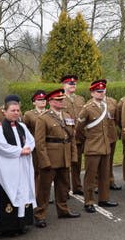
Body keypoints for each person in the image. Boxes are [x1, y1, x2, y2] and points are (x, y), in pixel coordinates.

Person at [34, 89, 80, 227]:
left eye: (62, 99)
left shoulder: (67, 116)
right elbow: (39, 143)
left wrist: (73, 156)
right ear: (51, 102)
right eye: (58, 100)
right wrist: (45, 161)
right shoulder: (43, 118)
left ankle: (63, 210)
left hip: (64, 156)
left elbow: (71, 138)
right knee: (44, 188)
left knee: (63, 186)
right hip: (50, 158)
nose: (61, 102)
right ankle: (40, 214)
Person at [74, 80, 119, 213]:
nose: (101, 93)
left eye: (102, 91)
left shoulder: (105, 106)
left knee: (105, 175)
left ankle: (104, 199)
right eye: (98, 91)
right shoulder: (87, 108)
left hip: (105, 146)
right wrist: (88, 139)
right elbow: (79, 128)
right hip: (93, 147)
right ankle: (89, 201)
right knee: (90, 176)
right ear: (92, 93)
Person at [0, 96, 36, 236]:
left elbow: (31, 140)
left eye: (18, 110)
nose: (16, 113)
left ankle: (21, 224)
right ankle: (8, 227)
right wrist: (19, 151)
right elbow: (0, 146)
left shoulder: (22, 126)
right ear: (5, 112)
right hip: (7, 169)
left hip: (22, 167)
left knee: (23, 192)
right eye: (12, 110)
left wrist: (29, 147)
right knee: (8, 195)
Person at [61, 74, 86, 196]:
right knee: (66, 164)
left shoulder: (80, 99)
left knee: (77, 162)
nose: (73, 85)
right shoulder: (60, 99)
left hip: (80, 136)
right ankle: (65, 189)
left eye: (74, 84)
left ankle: (77, 186)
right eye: (70, 84)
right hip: (66, 136)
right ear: (64, 85)